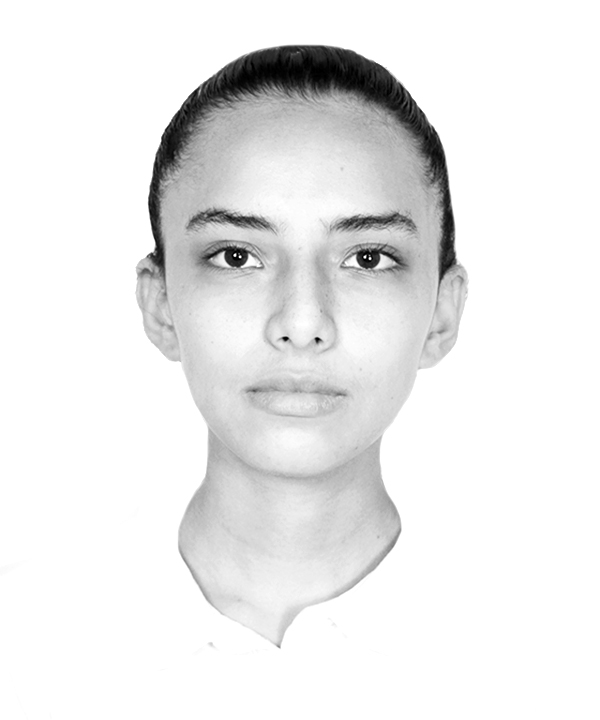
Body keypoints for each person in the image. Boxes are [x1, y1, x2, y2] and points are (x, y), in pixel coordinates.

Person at [2, 45, 468, 719]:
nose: (301, 323)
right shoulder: (20, 649)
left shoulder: (558, 654)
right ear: (161, 304)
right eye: (237, 255)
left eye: (368, 258)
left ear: (442, 313)